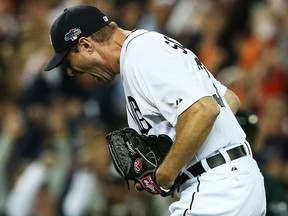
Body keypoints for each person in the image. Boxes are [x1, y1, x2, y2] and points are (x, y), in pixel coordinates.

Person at [44, 5, 266, 216]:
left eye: (68, 62)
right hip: (232, 182)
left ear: (85, 45)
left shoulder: (141, 54)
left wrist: (164, 175)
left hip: (218, 188)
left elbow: (204, 110)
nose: (71, 72)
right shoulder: (145, 49)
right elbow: (228, 100)